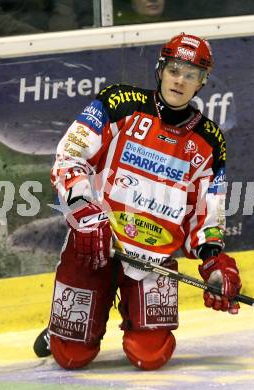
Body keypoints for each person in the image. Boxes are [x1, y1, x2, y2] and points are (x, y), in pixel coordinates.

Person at [33, 33, 242, 370]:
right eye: (175, 69)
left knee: (150, 355)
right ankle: (76, 320)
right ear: (160, 69)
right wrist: (86, 214)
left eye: (191, 74)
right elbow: (69, 157)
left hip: (152, 258)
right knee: (71, 356)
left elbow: (207, 207)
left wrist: (214, 261)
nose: (180, 80)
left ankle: (117, 309)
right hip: (97, 243)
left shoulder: (209, 140)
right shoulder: (119, 103)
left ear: (202, 83)